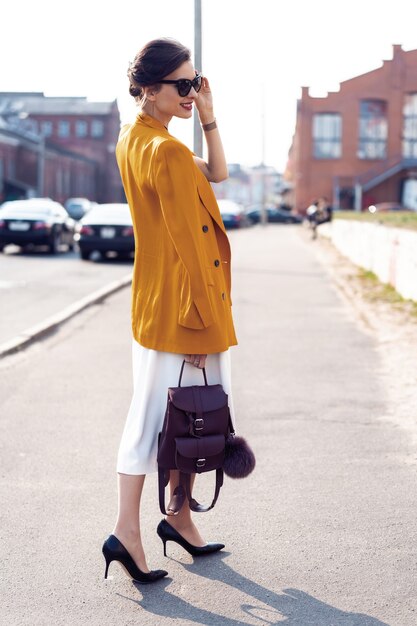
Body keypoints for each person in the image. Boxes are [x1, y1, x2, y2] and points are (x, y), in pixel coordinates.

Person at [101, 38, 238, 584]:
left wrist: (207, 117)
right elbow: (191, 243)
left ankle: (177, 518)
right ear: (149, 88)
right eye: (181, 86)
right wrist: (204, 323)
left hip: (154, 304)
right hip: (185, 310)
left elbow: (219, 172)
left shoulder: (136, 138)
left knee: (178, 418)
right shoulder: (166, 152)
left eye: (195, 82)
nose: (191, 92)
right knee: (155, 422)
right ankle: (126, 532)